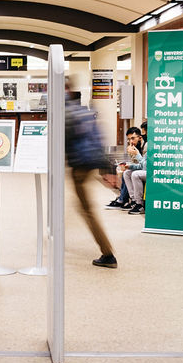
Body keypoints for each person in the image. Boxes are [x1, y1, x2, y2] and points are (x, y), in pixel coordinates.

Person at [64, 76, 117, 269]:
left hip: (79, 165)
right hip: (89, 162)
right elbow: (97, 138)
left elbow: (64, 141)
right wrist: (106, 167)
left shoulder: (65, 112)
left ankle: (107, 253)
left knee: (86, 209)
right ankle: (57, 232)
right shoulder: (83, 111)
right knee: (80, 204)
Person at [106, 127, 144, 209]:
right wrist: (127, 164)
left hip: (146, 170)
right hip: (140, 167)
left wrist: (136, 155)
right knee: (126, 172)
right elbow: (136, 163)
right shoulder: (135, 147)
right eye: (129, 139)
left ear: (140, 138)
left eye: (133, 138)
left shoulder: (145, 146)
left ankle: (124, 199)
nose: (131, 141)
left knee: (129, 173)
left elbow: (143, 165)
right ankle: (128, 199)